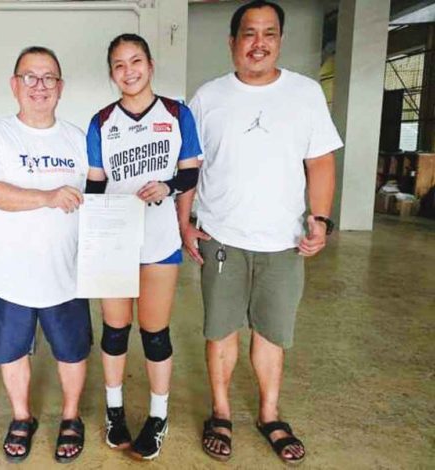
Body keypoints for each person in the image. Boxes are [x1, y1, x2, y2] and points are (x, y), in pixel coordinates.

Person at [182, 0, 342, 465]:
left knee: (272, 332)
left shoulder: (306, 93)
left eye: (269, 33)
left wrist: (321, 218)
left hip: (283, 241)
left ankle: (270, 415)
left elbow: (321, 162)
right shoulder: (208, 97)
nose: (259, 43)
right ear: (232, 42)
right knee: (221, 329)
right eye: (249, 33)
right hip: (222, 238)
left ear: (280, 41)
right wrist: (185, 223)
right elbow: (190, 167)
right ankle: (221, 412)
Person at [0, 46, 90, 464]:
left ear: (61, 86)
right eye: (30, 77)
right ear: (14, 84)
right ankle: (22, 417)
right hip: (12, 275)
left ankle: (71, 417)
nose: (40, 86)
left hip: (68, 273)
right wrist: (47, 196)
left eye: (49, 78)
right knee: (13, 351)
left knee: (72, 351)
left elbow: (97, 197)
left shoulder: (77, 138)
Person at [85, 33, 202, 460]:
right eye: (118, 64)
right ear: (111, 72)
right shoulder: (101, 122)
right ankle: (114, 412)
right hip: (115, 239)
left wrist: (167, 186)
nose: (128, 71)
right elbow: (95, 184)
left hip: (159, 239)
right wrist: (93, 230)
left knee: (155, 333)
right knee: (115, 331)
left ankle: (158, 415)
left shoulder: (176, 114)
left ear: (150, 65)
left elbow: (190, 174)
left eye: (136, 61)